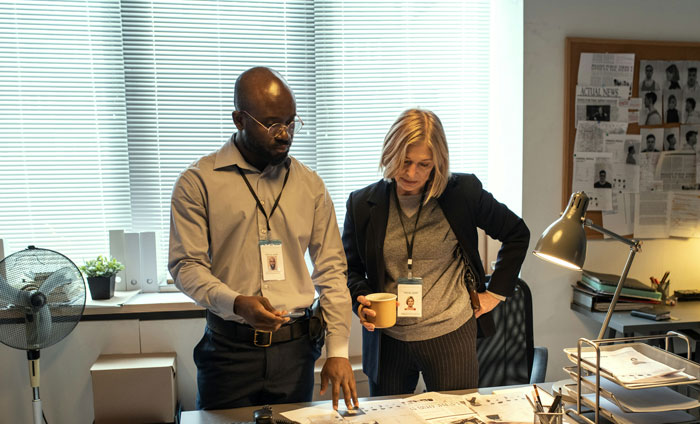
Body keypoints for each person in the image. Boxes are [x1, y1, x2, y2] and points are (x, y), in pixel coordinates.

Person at [169, 67, 357, 411]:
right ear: (239, 119)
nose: (284, 134)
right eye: (272, 124)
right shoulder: (197, 183)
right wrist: (237, 302)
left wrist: (339, 351)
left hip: (296, 352)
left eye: (290, 122)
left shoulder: (311, 186)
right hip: (229, 352)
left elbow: (331, 271)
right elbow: (186, 266)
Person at [342, 109, 530, 396]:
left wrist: (494, 295)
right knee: (390, 420)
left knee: (458, 417)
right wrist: (362, 303)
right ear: (389, 152)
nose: (411, 173)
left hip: (450, 333)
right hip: (388, 339)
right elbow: (350, 269)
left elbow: (517, 233)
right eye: (404, 162)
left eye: (424, 164)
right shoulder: (362, 203)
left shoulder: (462, 193)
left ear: (438, 163)